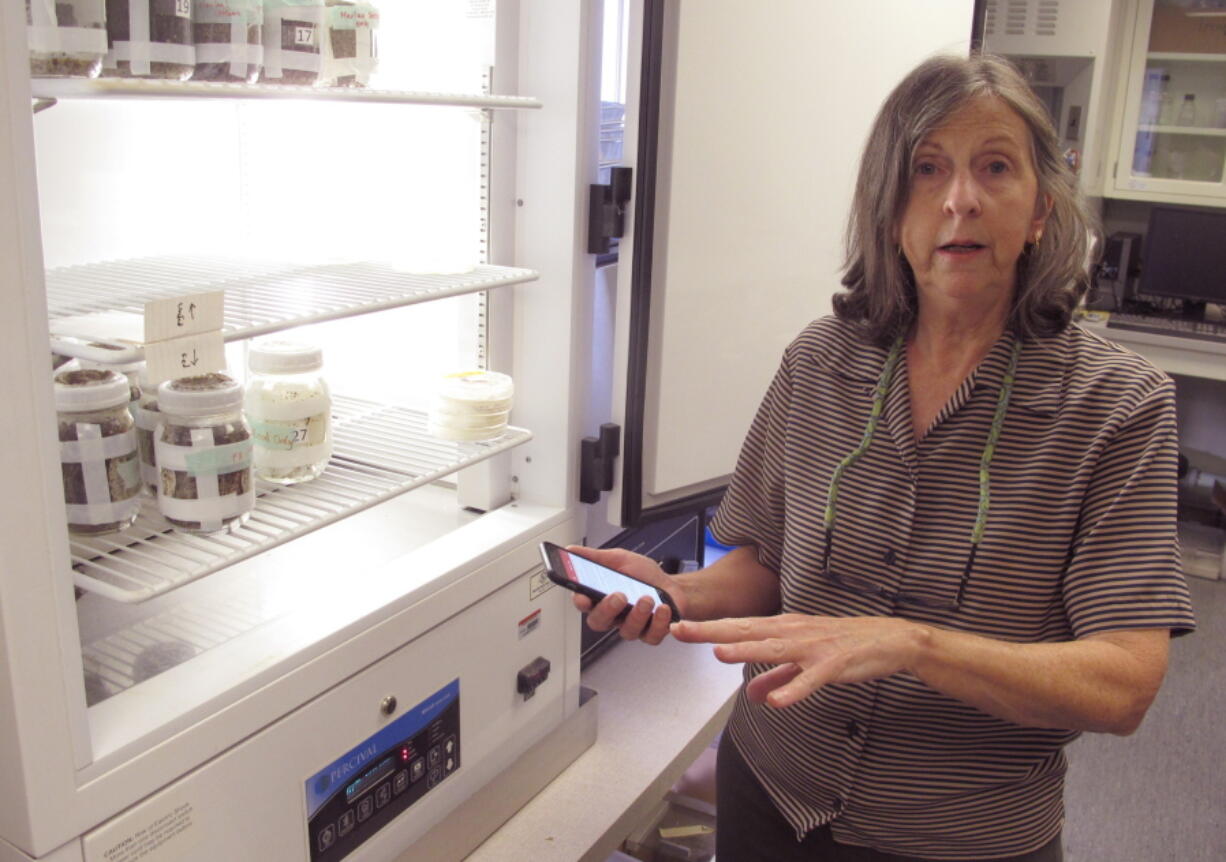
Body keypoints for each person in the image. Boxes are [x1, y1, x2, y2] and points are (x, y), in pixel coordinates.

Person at [571, 53, 1196, 862]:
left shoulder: (1119, 405)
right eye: (926, 169)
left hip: (960, 837)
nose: (959, 199)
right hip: (771, 793)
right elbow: (762, 567)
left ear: (1040, 208)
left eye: (994, 167)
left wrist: (910, 644)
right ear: (889, 209)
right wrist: (674, 593)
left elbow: (1123, 684)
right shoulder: (821, 361)